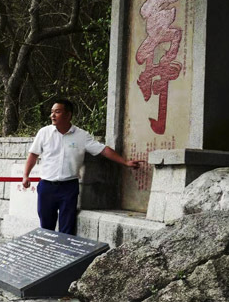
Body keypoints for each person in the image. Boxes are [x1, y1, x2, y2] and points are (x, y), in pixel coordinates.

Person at [22, 100, 141, 235]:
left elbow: (103, 150)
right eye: (52, 112)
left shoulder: (81, 136)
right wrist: (26, 175)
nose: (52, 115)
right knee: (46, 226)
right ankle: (47, 254)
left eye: (57, 112)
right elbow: (33, 155)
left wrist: (125, 162)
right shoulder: (44, 133)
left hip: (68, 187)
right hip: (46, 187)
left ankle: (64, 255)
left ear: (68, 115)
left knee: (67, 227)